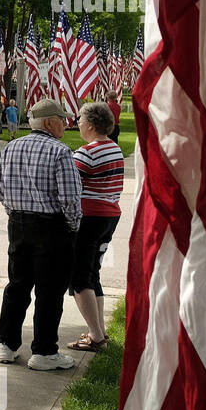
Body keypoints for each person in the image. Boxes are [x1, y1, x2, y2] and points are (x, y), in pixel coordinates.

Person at [0, 97, 82, 371]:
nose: (66, 124)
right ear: (49, 122)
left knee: (17, 285)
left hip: (18, 224)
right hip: (51, 227)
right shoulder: (60, 152)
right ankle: (44, 351)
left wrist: (15, 212)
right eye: (63, 120)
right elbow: (70, 199)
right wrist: (73, 226)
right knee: (50, 290)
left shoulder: (12, 147)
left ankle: (6, 345)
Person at [66, 102, 125, 352]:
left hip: (89, 217)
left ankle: (96, 336)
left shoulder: (85, 153)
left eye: (80, 119)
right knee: (93, 273)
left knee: (79, 278)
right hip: (110, 215)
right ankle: (99, 330)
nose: (77, 123)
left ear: (90, 125)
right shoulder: (114, 148)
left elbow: (69, 185)